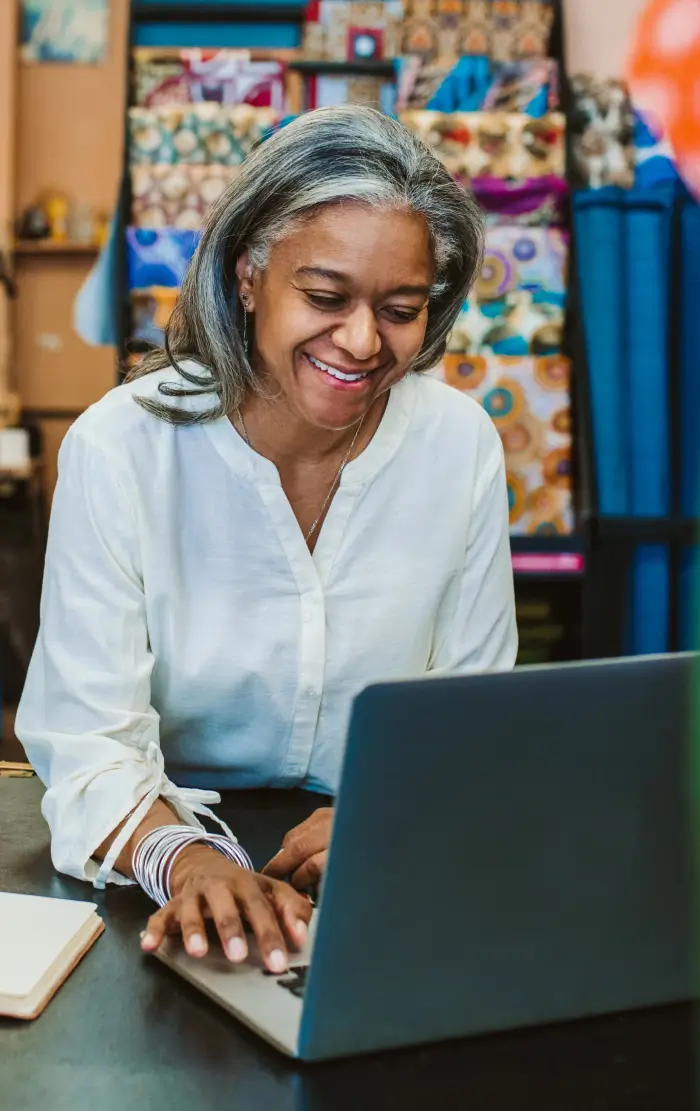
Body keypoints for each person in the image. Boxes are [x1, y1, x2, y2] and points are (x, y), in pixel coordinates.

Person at [16, 105, 517, 973]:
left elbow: (474, 714)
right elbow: (86, 740)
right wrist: (187, 863)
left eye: (401, 308)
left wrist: (392, 808)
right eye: (325, 297)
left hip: (373, 864)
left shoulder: (458, 443)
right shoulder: (121, 448)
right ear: (248, 274)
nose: (362, 342)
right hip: (157, 851)